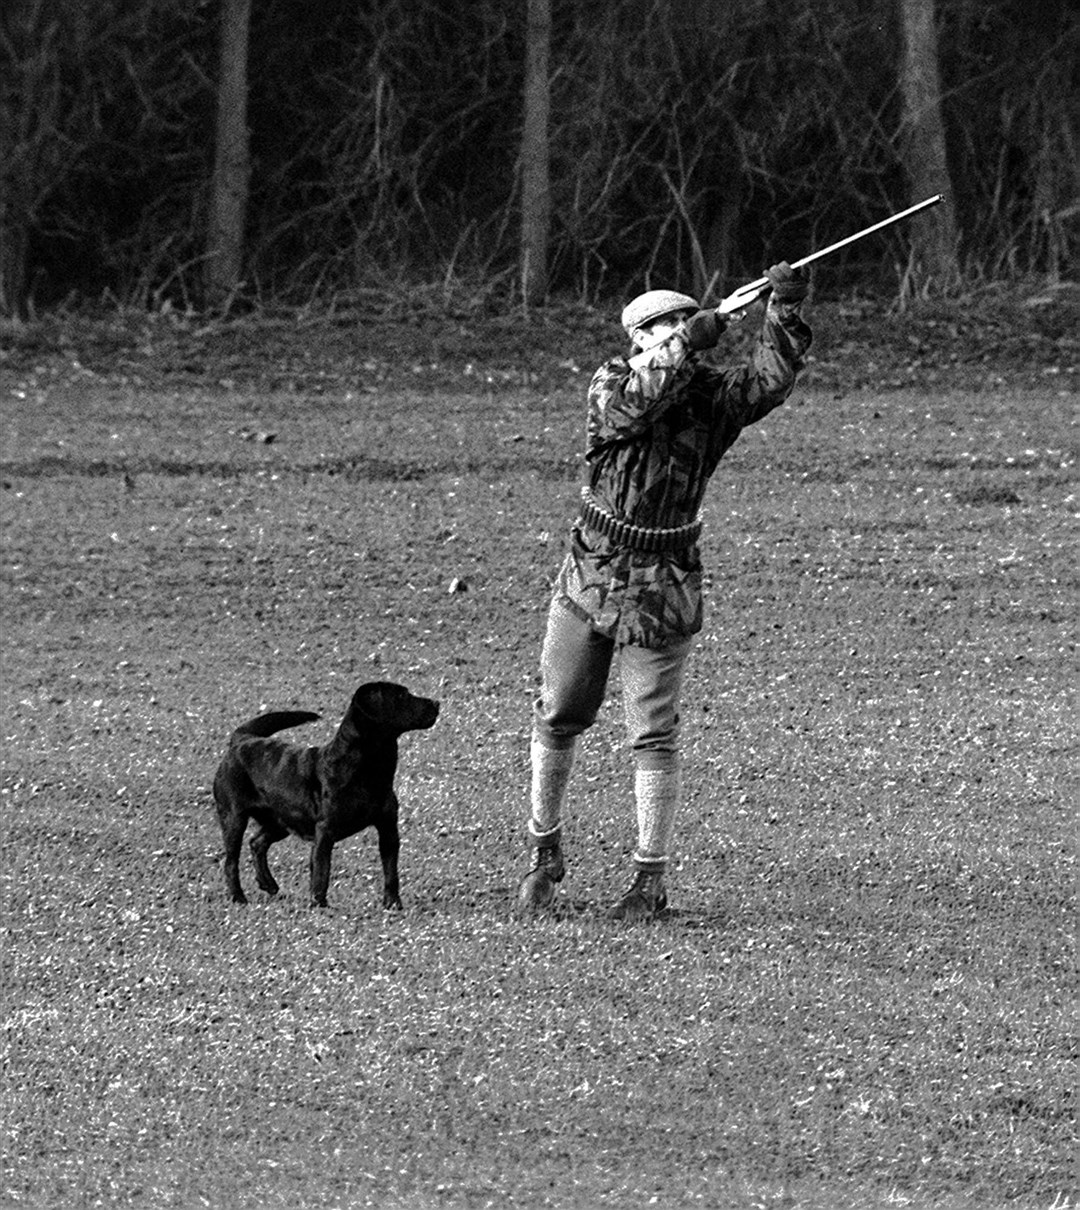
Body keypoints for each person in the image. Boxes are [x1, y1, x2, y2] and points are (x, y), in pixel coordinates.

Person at [517, 262, 813, 921]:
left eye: (685, 321)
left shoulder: (710, 396)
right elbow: (637, 403)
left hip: (666, 581)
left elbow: (769, 382)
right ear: (638, 338)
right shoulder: (611, 383)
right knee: (559, 710)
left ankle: (648, 881)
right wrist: (695, 338)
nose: (679, 333)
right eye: (666, 327)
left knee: (652, 732)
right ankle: (543, 847)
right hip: (589, 571)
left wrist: (783, 312)